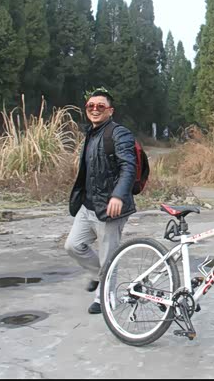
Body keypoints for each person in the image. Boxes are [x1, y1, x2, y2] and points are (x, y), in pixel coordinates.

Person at [65, 88, 137, 314]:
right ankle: (99, 276)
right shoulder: (91, 133)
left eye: (100, 106)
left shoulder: (119, 134)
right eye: (90, 106)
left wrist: (118, 195)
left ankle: (104, 298)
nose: (94, 109)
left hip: (110, 208)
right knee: (73, 246)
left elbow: (129, 167)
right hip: (88, 206)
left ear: (110, 111)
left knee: (108, 257)